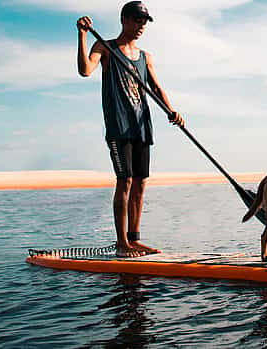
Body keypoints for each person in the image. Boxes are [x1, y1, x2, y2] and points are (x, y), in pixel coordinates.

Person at [76, 1, 184, 257]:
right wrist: (81, 35)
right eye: (137, 20)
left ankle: (134, 239)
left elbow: (156, 88)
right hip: (119, 127)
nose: (141, 26)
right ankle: (122, 242)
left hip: (142, 125)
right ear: (124, 19)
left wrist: (172, 111)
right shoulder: (105, 47)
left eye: (144, 22)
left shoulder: (146, 57)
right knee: (124, 181)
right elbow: (85, 70)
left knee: (140, 183)